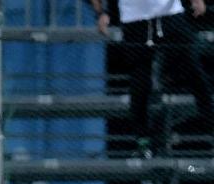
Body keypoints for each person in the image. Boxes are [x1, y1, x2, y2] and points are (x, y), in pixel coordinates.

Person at [91, 0, 214, 152]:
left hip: (169, 14)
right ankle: (142, 139)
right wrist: (102, 12)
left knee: (194, 71)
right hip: (135, 20)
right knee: (140, 80)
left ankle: (210, 126)